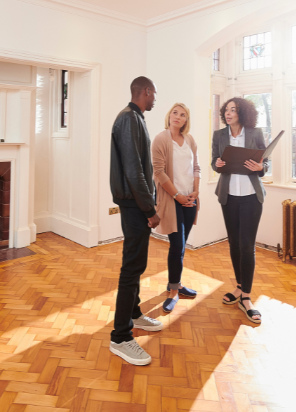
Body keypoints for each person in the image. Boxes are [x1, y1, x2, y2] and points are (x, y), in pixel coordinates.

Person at [108, 76, 164, 366]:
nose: (155, 98)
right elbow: (134, 171)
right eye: (154, 93)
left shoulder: (135, 118)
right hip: (134, 205)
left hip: (134, 204)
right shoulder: (129, 119)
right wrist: (150, 209)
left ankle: (133, 314)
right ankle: (120, 337)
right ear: (145, 91)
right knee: (132, 266)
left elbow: (138, 168)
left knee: (137, 263)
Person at [212, 97, 268, 324]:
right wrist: (216, 164)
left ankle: (246, 296)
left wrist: (260, 167)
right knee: (234, 243)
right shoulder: (219, 135)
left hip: (251, 197)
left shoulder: (254, 133)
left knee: (247, 246)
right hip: (228, 196)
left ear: (242, 113)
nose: (228, 113)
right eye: (226, 110)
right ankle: (238, 286)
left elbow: (265, 163)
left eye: (233, 110)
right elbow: (213, 162)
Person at [151, 103, 200, 312]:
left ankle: (177, 283)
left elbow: (196, 167)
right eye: (174, 113)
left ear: (186, 120)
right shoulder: (161, 139)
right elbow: (159, 173)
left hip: (190, 198)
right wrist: (178, 196)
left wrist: (195, 191)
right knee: (177, 245)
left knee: (182, 245)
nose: (177, 117)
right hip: (173, 200)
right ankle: (172, 291)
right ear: (169, 115)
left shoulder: (189, 139)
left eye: (182, 114)